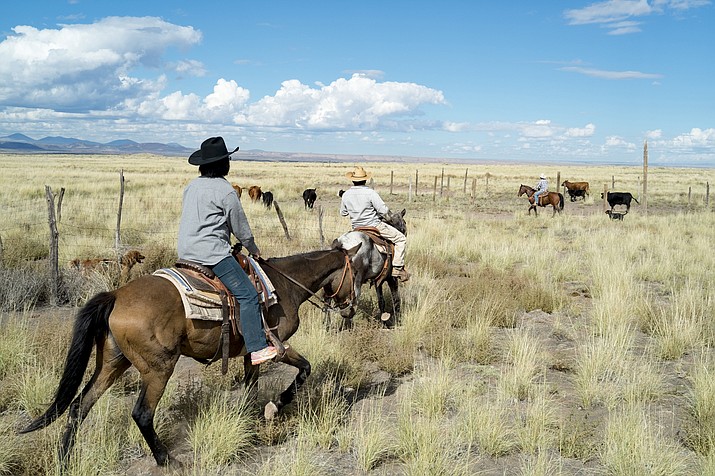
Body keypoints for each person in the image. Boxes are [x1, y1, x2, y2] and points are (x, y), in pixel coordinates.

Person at [178, 136, 277, 365]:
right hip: (212, 254)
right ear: (224, 164)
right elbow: (240, 229)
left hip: (185, 251)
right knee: (249, 295)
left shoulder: (191, 186)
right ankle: (256, 347)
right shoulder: (226, 191)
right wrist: (254, 250)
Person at [340, 166, 410, 282]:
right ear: (365, 180)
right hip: (374, 225)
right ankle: (397, 268)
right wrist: (388, 218)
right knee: (400, 239)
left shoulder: (346, 195)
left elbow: (343, 213)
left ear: (353, 180)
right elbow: (384, 211)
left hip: (357, 228)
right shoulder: (370, 193)